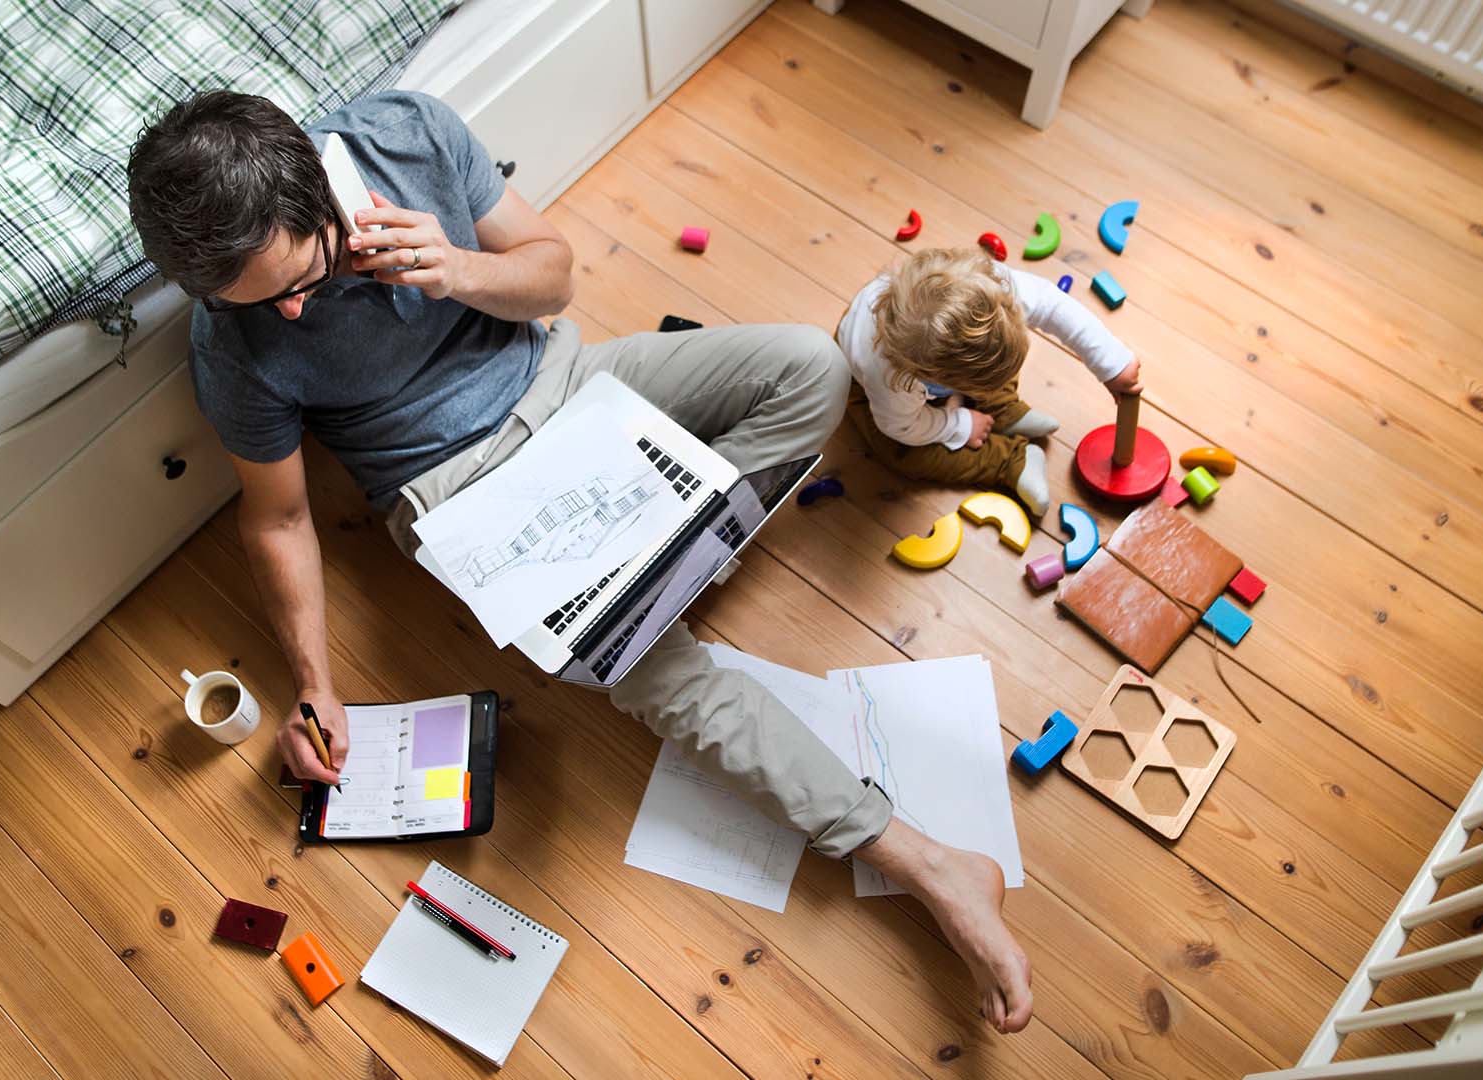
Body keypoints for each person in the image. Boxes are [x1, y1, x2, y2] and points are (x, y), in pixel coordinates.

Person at [127, 89, 1033, 1032]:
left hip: (570, 383)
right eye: (263, 304)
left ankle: (644, 578)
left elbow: (553, 277)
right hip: (460, 494)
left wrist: (458, 270)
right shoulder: (230, 343)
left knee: (810, 366)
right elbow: (277, 519)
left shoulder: (402, 134)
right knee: (643, 665)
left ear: (319, 191)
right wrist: (314, 682)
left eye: (299, 277)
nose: (294, 308)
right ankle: (921, 859)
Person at [836, 246, 1142, 516]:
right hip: (878, 394)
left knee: (996, 356)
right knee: (900, 453)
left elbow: (1053, 305)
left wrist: (1111, 363)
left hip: (939, 365)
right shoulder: (891, 381)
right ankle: (1008, 462)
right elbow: (902, 428)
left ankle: (1002, 407)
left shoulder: (992, 287)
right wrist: (958, 424)